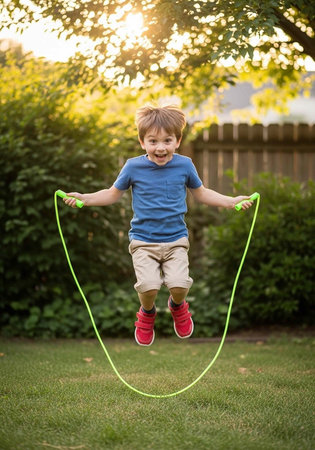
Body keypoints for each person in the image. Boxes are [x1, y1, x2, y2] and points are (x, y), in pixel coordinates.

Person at [64, 104, 253, 346]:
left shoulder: (185, 165)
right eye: (153, 141)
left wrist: (231, 202)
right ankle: (147, 314)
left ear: (178, 140)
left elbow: (202, 193)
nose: (160, 147)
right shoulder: (133, 166)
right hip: (143, 241)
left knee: (179, 284)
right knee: (149, 286)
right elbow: (112, 194)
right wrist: (85, 199)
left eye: (167, 140)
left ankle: (177, 306)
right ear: (142, 142)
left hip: (176, 240)